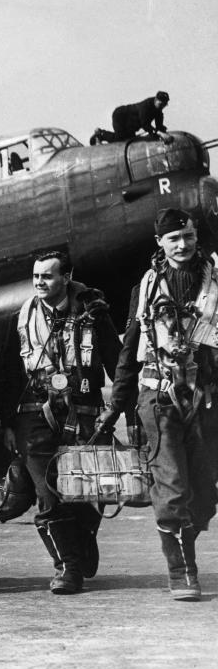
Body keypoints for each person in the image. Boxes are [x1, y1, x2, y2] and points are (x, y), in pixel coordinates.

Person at [97, 208, 218, 601]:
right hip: (159, 397)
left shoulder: (216, 280)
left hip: (207, 398)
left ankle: (188, 540)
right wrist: (117, 405)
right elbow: (130, 349)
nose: (182, 245)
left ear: (197, 237)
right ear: (160, 244)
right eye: (173, 239)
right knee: (171, 487)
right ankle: (182, 572)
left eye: (188, 236)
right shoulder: (147, 287)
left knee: (203, 493)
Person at [0, 251, 122, 595]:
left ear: (66, 277)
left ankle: (83, 537)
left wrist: (123, 411)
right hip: (33, 413)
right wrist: (7, 423)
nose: (40, 282)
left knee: (84, 491)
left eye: (48, 276)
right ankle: (66, 567)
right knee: (48, 493)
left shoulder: (93, 313)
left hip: (85, 412)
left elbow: (116, 361)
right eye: (36, 276)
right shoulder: (20, 317)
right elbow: (8, 373)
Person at [90, 91, 171, 145]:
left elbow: (159, 126)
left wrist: (163, 132)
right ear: (156, 100)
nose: (162, 107)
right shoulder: (146, 106)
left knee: (130, 140)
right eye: (161, 104)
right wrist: (160, 133)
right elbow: (145, 125)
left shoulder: (158, 110)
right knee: (120, 139)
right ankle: (100, 134)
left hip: (131, 124)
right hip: (121, 116)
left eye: (164, 105)